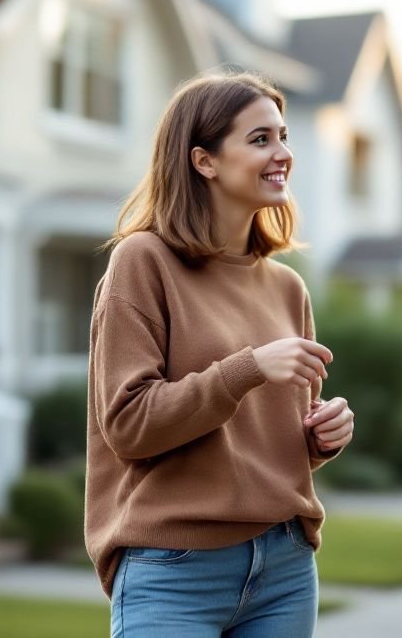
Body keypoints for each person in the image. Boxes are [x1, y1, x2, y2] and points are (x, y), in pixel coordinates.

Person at [84, 71, 355, 637]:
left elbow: (262, 445)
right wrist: (247, 369)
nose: (282, 153)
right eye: (260, 140)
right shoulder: (144, 261)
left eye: (283, 136)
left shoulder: (287, 287)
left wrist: (317, 438)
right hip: (174, 569)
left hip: (284, 566)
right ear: (204, 160)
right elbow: (130, 426)